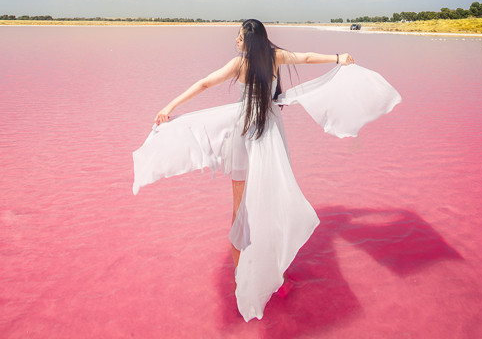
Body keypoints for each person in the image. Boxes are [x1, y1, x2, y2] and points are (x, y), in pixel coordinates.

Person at [133, 18, 401, 322]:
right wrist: (338, 58)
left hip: (243, 132)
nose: (235, 42)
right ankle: (271, 273)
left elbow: (205, 83)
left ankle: (241, 276)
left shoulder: (239, 64)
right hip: (269, 135)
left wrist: (169, 107)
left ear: (247, 41)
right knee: (270, 204)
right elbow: (308, 58)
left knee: (238, 209)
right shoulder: (276, 57)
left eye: (238, 37)